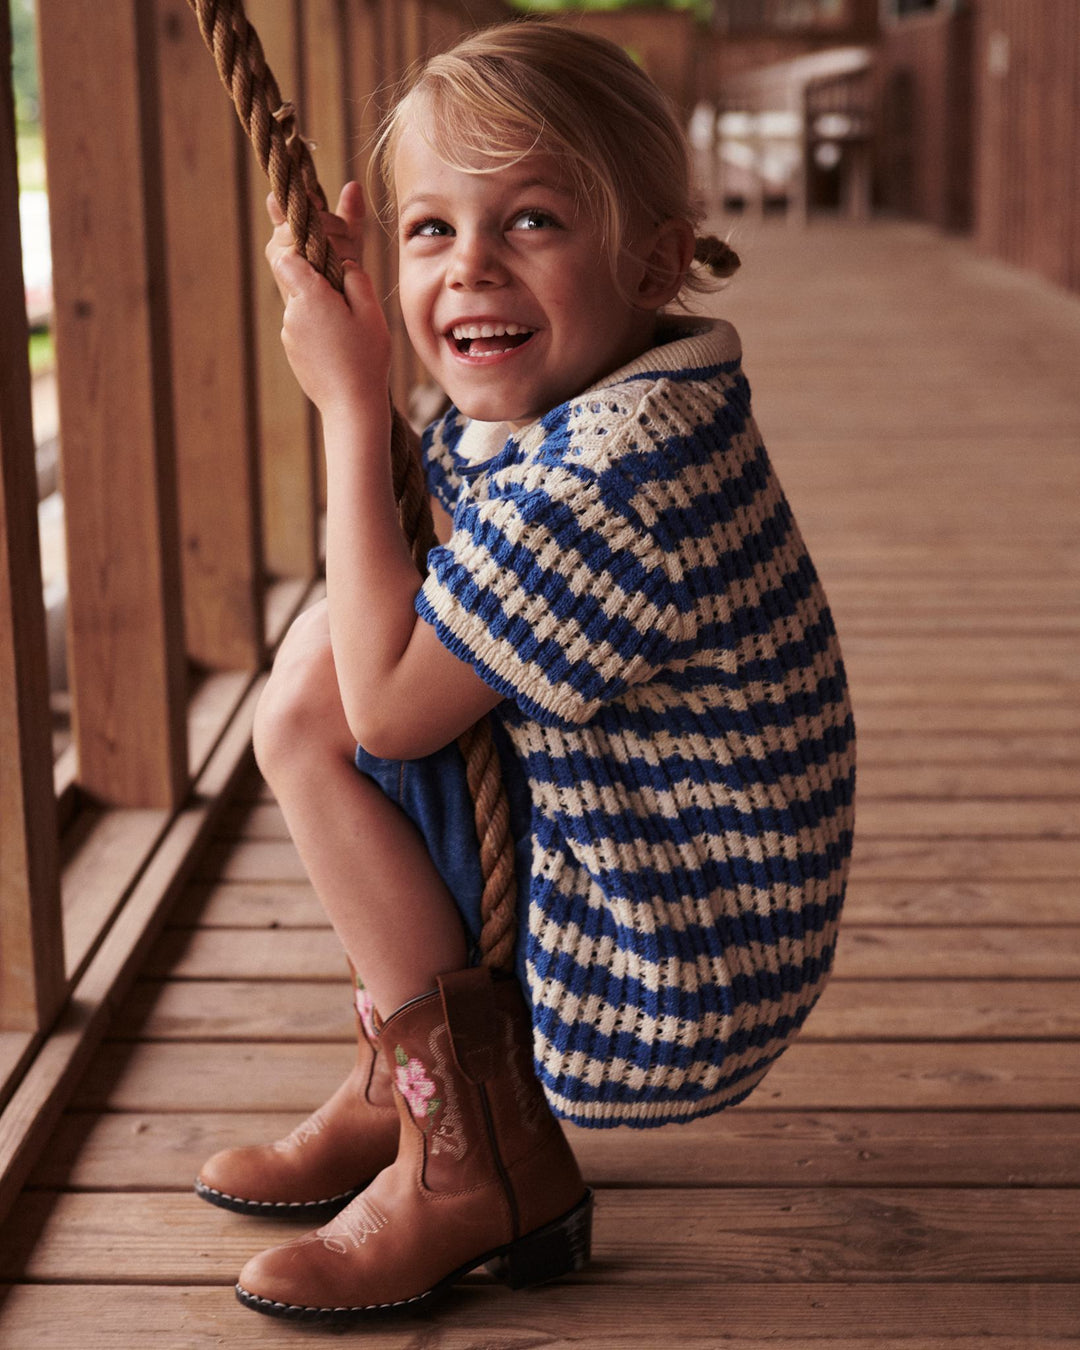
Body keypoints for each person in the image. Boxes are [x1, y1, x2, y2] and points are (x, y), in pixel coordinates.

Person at [195, 19, 856, 1325]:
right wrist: (376, 375)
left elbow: (392, 702)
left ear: (659, 257)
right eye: (429, 229)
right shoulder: (621, 397)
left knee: (314, 715)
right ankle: (415, 1078)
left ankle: (472, 1152)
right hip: (647, 849)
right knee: (321, 667)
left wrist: (349, 404)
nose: (469, 266)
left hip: (669, 957)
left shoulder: (621, 479)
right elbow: (420, 584)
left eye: (532, 221)